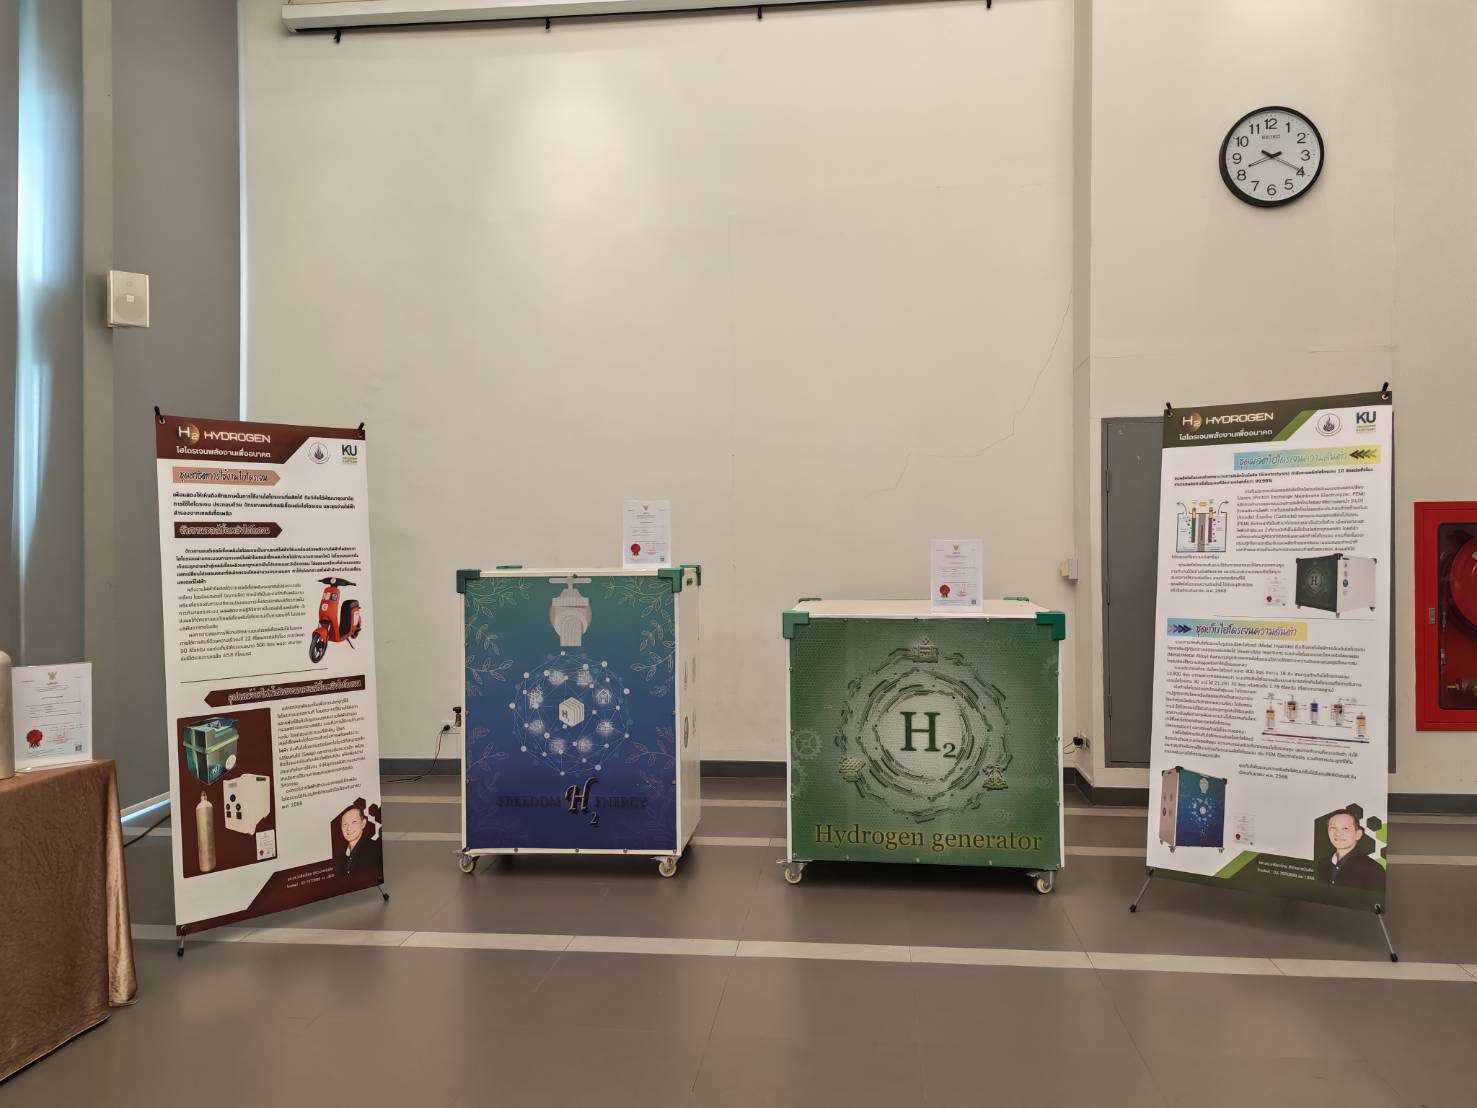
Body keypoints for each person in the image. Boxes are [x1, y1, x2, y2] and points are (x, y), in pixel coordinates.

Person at [1315, 809, 1384, 890]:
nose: (1338, 833)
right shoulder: (1321, 864)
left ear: (1358, 834)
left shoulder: (1373, 869)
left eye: (1345, 828)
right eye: (1333, 828)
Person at [337, 804, 382, 878]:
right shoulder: (340, 858)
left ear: (363, 823)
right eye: (345, 824)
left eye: (354, 822)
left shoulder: (375, 849)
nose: (349, 828)